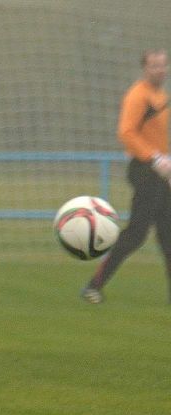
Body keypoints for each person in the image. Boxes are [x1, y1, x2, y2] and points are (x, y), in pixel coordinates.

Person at [82, 49, 171, 303]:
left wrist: (165, 165)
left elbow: (156, 138)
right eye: (154, 66)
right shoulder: (138, 95)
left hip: (159, 171)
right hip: (144, 170)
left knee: (167, 233)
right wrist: (154, 158)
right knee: (136, 234)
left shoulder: (161, 95)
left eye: (163, 65)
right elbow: (127, 133)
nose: (160, 70)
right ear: (145, 68)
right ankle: (93, 286)